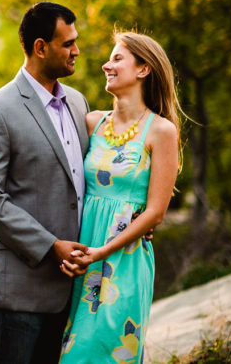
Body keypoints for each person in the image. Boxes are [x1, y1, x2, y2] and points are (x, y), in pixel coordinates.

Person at [0, 2, 91, 363]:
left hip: (70, 291)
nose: (76, 51)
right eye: (67, 44)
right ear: (40, 47)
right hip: (16, 291)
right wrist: (51, 245)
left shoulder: (78, 103)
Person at [58, 31, 181, 363]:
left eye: (117, 59)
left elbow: (155, 212)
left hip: (122, 261)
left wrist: (101, 252)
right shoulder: (92, 123)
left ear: (143, 70)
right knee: (68, 352)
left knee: (104, 352)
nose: (105, 65)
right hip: (80, 256)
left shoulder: (161, 131)